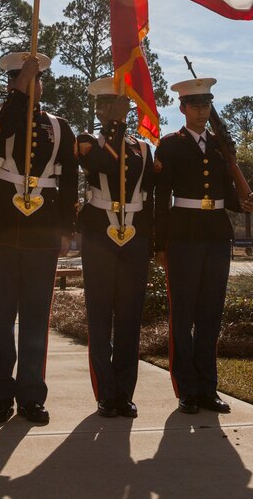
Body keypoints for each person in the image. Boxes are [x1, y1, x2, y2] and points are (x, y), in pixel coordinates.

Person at [0, 52, 78, 426]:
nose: (31, 84)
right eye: (22, 79)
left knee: (37, 317)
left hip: (43, 228)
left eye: (36, 79)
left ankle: (32, 395)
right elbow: (1, 131)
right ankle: (0, 395)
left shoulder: (59, 125)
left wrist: (67, 227)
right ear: (11, 84)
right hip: (1, 224)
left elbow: (69, 179)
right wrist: (20, 92)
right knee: (1, 317)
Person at [153, 77, 253, 415]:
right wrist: (159, 243)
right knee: (182, 315)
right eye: (196, 105)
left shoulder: (220, 146)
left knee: (211, 314)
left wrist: (243, 201)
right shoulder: (169, 146)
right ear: (182, 108)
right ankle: (187, 389)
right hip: (182, 235)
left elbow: (226, 193)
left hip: (215, 234)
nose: (202, 111)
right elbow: (160, 198)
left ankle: (208, 388)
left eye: (207, 105)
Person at [77, 77, 154, 418]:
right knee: (100, 314)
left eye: (119, 104)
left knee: (129, 316)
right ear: (99, 108)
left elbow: (150, 194)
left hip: (135, 235)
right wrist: (116, 128)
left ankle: (125, 391)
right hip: (99, 233)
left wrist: (152, 239)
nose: (115, 110)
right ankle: (105, 392)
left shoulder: (143, 147)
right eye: (108, 105)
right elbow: (104, 164)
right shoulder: (88, 141)